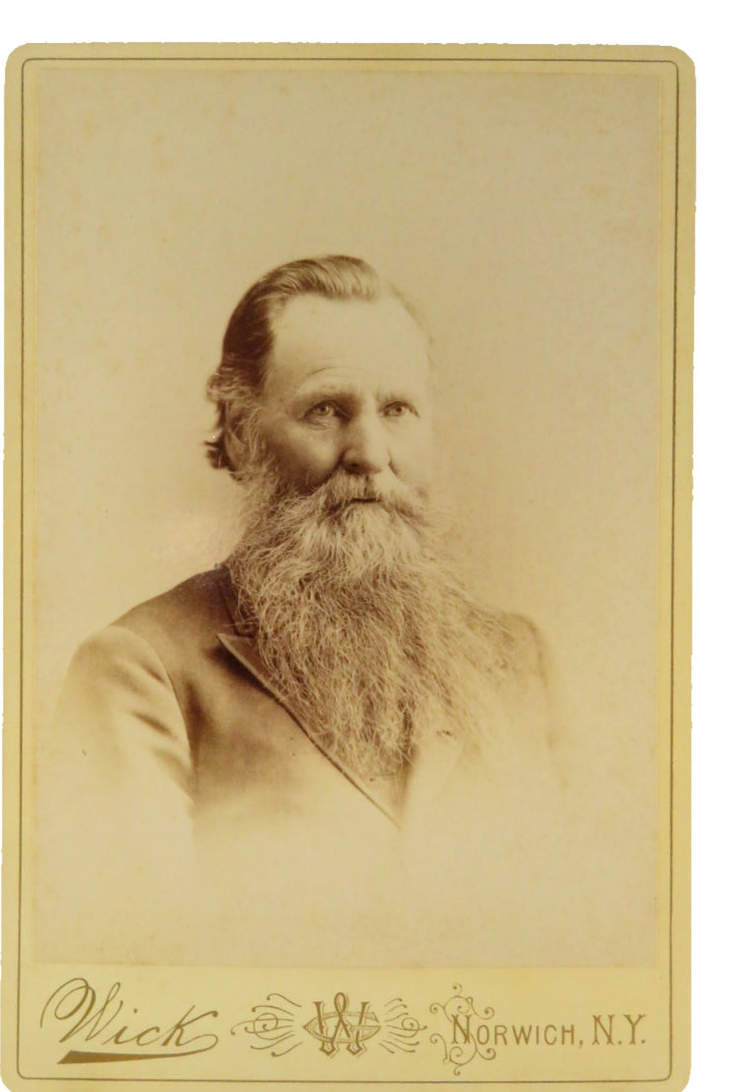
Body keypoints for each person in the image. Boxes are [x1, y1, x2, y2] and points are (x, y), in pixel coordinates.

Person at [37, 255, 568, 966]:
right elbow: (135, 968)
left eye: (398, 410)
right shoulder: (140, 671)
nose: (371, 454)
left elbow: (582, 925)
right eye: (327, 410)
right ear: (240, 435)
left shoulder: (518, 662)